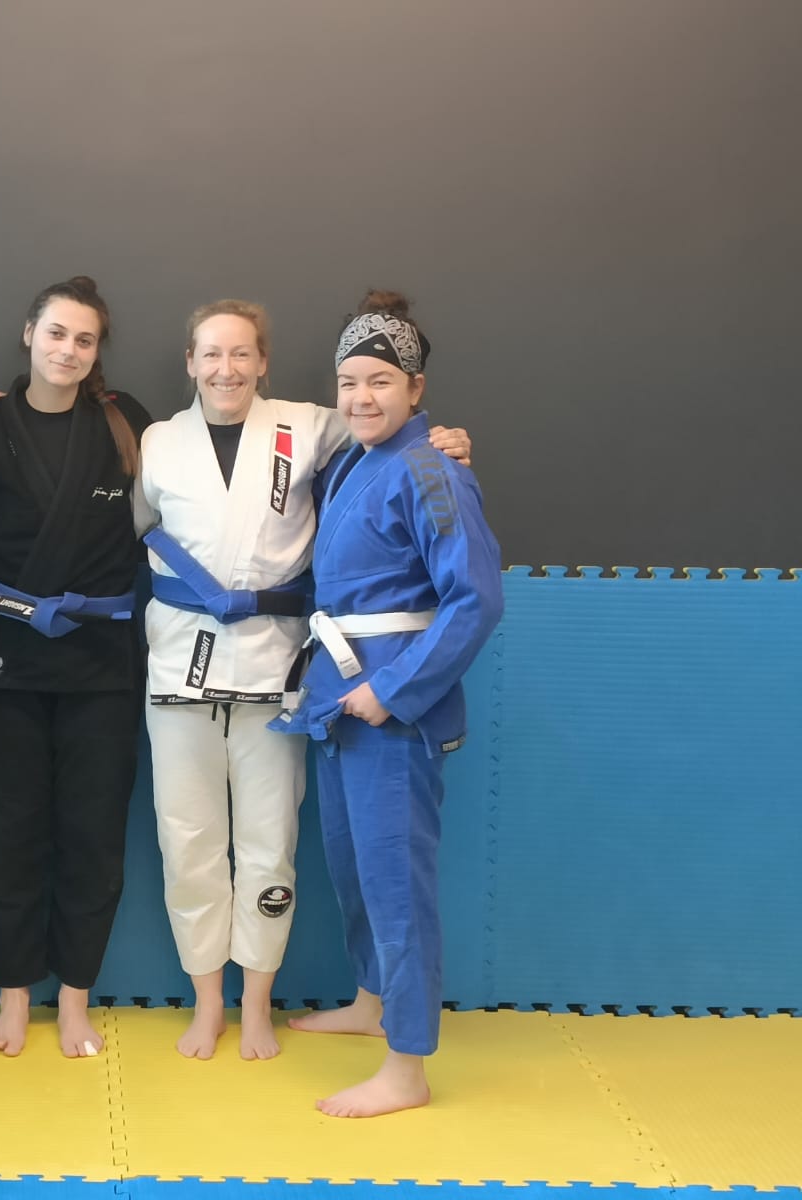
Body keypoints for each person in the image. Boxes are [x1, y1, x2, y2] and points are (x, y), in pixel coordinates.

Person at [137, 301, 470, 1062]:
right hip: (181, 662)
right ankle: (209, 1003)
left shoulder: (311, 425)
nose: (226, 369)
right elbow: (137, 529)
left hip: (280, 670)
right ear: (190, 362)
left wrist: (445, 440)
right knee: (186, 839)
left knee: (270, 841)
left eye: (241, 354)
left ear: (263, 362)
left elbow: (388, 434)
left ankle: (257, 1004)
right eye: (211, 354)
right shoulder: (156, 442)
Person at [273, 290, 503, 1117]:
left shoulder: (434, 470)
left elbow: (476, 599)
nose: (362, 397)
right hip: (339, 698)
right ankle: (372, 1003)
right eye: (349, 382)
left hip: (392, 705)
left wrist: (394, 691)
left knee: (397, 881)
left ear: (415, 388)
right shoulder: (351, 462)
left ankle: (407, 1066)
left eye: (379, 381)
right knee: (355, 866)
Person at [0, 276, 151, 1058]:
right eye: (57, 333)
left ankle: (74, 999)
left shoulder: (127, 423)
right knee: (8, 833)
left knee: (93, 836)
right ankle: (13, 998)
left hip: (104, 663)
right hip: (9, 661)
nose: (68, 350)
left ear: (98, 352)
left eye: (84, 339)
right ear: (29, 333)